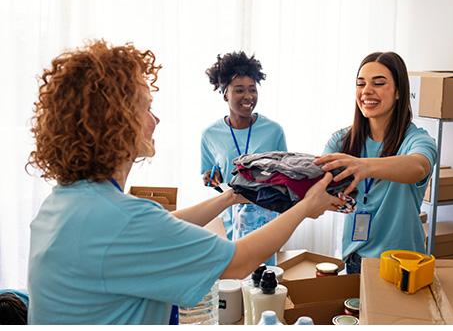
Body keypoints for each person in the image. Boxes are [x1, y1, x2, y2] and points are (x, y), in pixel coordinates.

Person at [26, 40, 343, 324]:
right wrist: (307, 206)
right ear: (116, 122)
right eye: (147, 108)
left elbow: (158, 225)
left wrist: (230, 197)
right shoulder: (122, 219)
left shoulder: (65, 203)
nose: (156, 119)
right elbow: (238, 262)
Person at [314, 51, 438, 274]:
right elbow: (319, 185)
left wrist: (363, 166)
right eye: (360, 84)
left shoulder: (417, 140)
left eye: (379, 83)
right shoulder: (341, 140)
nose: (367, 91)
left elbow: (418, 167)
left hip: (403, 264)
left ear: (399, 91)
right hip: (355, 260)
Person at [201, 51, 286, 265]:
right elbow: (210, 174)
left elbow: (286, 177)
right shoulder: (210, 135)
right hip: (230, 223)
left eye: (252, 90)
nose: (248, 96)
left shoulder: (274, 131)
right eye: (239, 90)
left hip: (266, 224)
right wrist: (211, 178)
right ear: (224, 94)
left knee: (264, 286)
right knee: (234, 285)